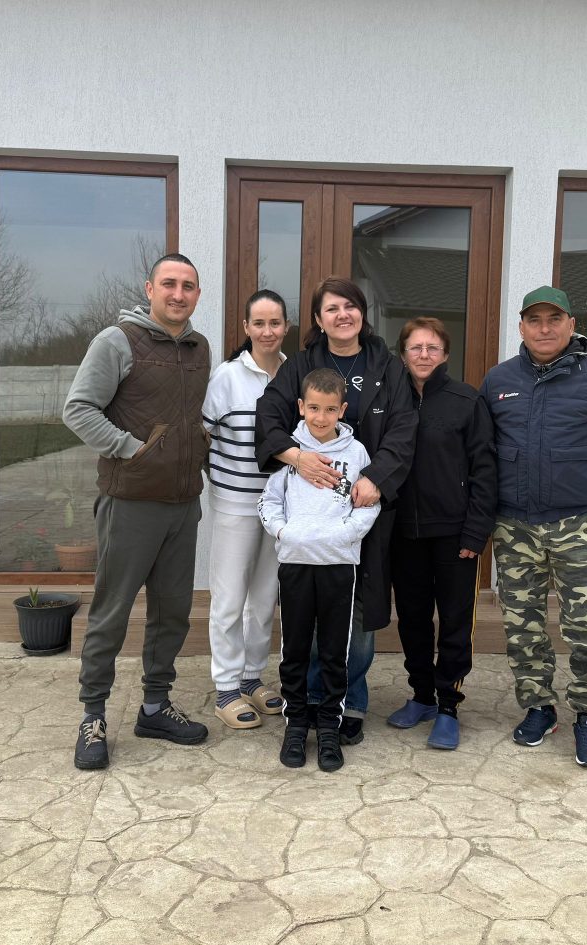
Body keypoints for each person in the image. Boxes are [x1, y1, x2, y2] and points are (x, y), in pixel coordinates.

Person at [480, 285, 587, 768]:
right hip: (514, 527)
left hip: (579, 526)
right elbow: (483, 450)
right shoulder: (499, 380)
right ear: (521, 327)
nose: (545, 328)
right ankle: (538, 707)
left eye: (554, 319)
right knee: (522, 624)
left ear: (572, 325)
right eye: (535, 320)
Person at [63, 253, 211, 770]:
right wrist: (132, 450)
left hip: (182, 504)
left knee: (172, 612)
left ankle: (154, 707)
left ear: (197, 294)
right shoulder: (117, 341)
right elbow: (78, 408)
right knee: (112, 612)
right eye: (169, 283)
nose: (178, 294)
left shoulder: (199, 348)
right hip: (130, 503)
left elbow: (188, 418)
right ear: (150, 289)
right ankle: (93, 716)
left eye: (188, 286)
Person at [255, 277, 416, 745]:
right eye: (331, 308)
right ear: (318, 319)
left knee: (359, 611)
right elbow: (268, 416)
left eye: (350, 306)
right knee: (309, 615)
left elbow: (404, 430)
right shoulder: (301, 365)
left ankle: (351, 699)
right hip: (309, 520)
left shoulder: (388, 367)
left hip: (363, 509)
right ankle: (309, 702)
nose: (342, 315)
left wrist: (375, 478)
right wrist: (296, 457)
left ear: (363, 312)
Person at [258, 368, 380, 771]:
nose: (321, 417)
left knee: (333, 651)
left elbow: (369, 505)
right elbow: (269, 502)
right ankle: (296, 725)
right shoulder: (289, 451)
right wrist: (283, 532)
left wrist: (345, 536)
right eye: (313, 408)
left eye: (330, 409)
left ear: (342, 409)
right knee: (294, 650)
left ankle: (329, 726)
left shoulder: (356, 453)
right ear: (301, 407)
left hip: (337, 565)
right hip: (295, 563)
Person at [388, 317, 497, 750]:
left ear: (446, 354)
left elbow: (485, 470)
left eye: (432, 348)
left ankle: (449, 705)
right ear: (403, 354)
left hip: (455, 534)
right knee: (412, 619)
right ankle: (422, 697)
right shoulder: (390, 399)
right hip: (403, 533)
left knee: (454, 621)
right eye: (415, 347)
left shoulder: (466, 401)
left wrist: (476, 533)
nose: (424, 355)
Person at [202, 290, 290, 730]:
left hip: (279, 505)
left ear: (286, 327)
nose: (267, 331)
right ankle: (226, 687)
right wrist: (219, 483)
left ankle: (252, 677)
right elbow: (203, 436)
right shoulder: (227, 377)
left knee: (264, 597)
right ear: (246, 328)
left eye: (275, 323)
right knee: (230, 597)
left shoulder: (294, 374)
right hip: (235, 504)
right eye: (259, 323)